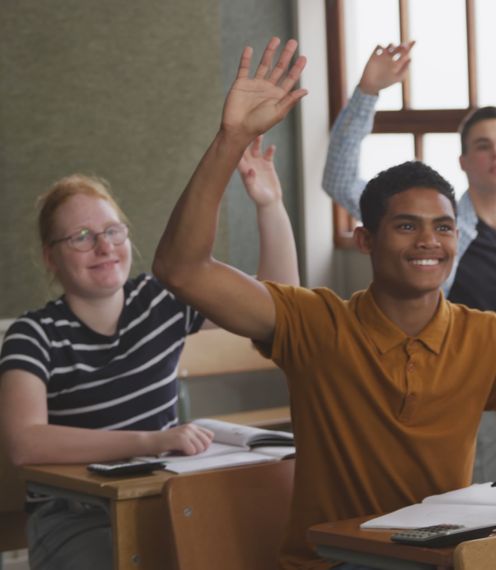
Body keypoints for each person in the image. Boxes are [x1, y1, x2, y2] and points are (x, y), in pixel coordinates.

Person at [151, 38, 496, 570]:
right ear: (366, 240)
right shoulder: (313, 321)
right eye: (406, 226)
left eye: (443, 228)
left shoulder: (487, 336)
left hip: (436, 561)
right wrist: (232, 138)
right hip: (334, 562)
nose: (429, 241)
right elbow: (182, 268)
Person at [0, 134, 299, 569]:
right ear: (51, 257)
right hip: (75, 519)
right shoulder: (33, 334)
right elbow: (26, 443)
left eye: (111, 231)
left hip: (163, 500)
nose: (103, 247)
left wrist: (270, 205)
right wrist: (153, 441)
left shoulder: (161, 299)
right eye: (81, 237)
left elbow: (274, 303)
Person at [323, 42, 496, 345]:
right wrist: (367, 93)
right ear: (463, 161)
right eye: (484, 145)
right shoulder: (430, 221)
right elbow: (340, 181)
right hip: (435, 372)